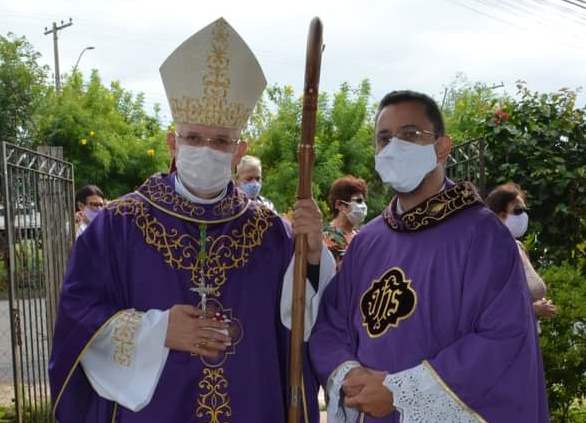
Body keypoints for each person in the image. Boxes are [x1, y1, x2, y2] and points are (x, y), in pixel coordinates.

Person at [49, 18, 335, 423]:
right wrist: (156, 331)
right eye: (194, 138)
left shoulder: (270, 231)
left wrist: (313, 255)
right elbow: (78, 317)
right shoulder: (118, 225)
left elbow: (303, 320)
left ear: (239, 150)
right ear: (173, 142)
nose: (207, 150)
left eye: (221, 141)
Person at [309, 90, 549, 422]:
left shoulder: (483, 235)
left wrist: (400, 392)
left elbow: (502, 336)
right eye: (384, 139)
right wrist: (349, 375)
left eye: (409, 135)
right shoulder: (368, 240)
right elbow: (332, 323)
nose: (394, 147)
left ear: (441, 148)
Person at [486, 183, 557, 320]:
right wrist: (533, 309)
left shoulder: (518, 247)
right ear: (499, 215)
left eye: (525, 211)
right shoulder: (490, 251)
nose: (523, 216)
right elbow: (489, 306)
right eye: (518, 211)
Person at [322, 176, 368, 268]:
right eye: (358, 201)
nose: (363, 206)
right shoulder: (327, 237)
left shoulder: (358, 235)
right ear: (339, 204)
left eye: (363, 201)